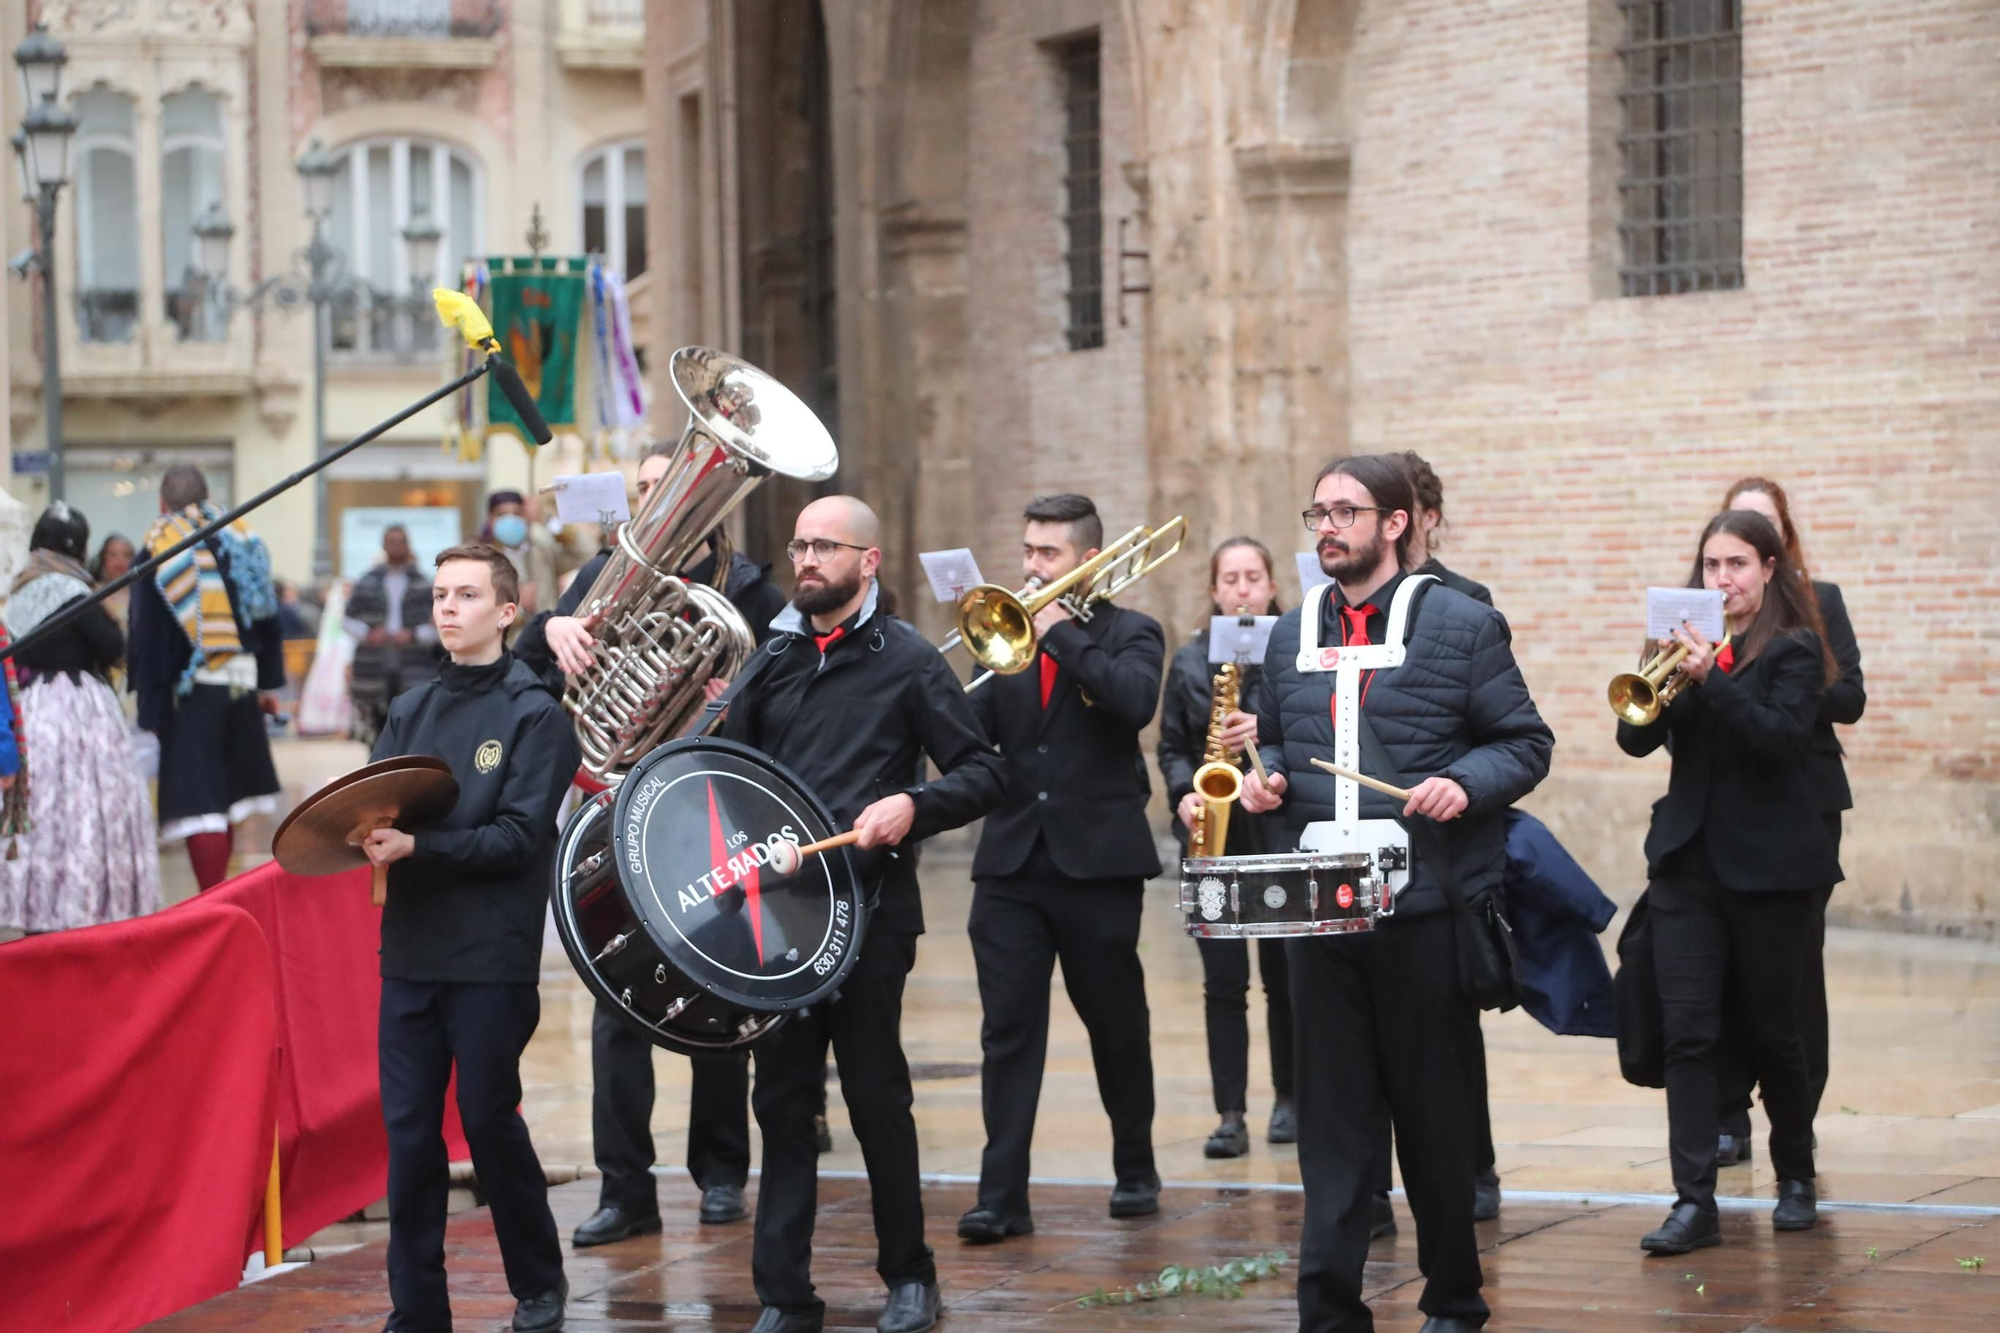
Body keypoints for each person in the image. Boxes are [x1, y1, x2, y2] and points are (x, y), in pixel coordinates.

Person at [1239, 454, 1553, 1333]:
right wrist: (1263, 778)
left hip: (1422, 915)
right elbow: (1279, 751)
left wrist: (1463, 780)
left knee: (1433, 1123)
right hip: (1318, 912)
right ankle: (1329, 1311)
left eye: (1346, 511)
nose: (1329, 526)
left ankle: (1454, 1299)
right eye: (1318, 513)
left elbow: (1525, 743)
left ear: (1396, 523)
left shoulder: (1463, 622)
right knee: (1331, 1129)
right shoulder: (1288, 630)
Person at [716, 495, 1003, 1333]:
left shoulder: (910, 660)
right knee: (781, 1097)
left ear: (867, 561)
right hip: (777, 912)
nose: (805, 560)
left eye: (825, 547)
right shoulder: (771, 657)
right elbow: (731, 770)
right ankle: (783, 1292)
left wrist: (913, 804)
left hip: (871, 912)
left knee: (878, 1093)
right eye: (799, 544)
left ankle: (910, 1276)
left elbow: (982, 771)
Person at [516, 443, 802, 1248]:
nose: (660, 499)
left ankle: (719, 1174)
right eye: (649, 488)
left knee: (716, 993)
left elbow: (781, 708)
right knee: (616, 1009)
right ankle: (624, 1188)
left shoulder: (749, 591)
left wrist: (731, 701)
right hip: (614, 806)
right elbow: (534, 679)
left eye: (672, 485)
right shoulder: (604, 577)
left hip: (704, 811)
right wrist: (552, 627)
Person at [362, 543, 577, 1333]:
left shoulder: (536, 714)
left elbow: (521, 839)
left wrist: (423, 847)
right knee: (411, 1134)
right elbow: (372, 804)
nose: (447, 607)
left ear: (508, 610)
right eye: (440, 594)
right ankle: (417, 1306)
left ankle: (539, 1280)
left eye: (466, 594)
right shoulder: (410, 709)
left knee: (488, 1118)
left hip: (491, 954)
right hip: (411, 951)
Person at [1618, 508, 1839, 1255]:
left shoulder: (1796, 648)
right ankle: (1693, 1202)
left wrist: (1711, 676)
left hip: (1773, 868)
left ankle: (1796, 1173)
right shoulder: (1683, 643)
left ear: (1768, 569)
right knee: (1689, 1034)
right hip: (1688, 865)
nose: (1723, 578)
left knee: (1777, 1029)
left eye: (1737, 564)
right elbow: (1633, 735)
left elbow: (1778, 742)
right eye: (1711, 565)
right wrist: (1661, 669)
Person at [959, 493, 1166, 1241]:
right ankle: (1000, 1194)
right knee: (1007, 1030)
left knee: (1116, 1023)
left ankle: (1136, 1164)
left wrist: (1060, 634)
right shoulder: (1004, 640)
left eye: (1045, 554)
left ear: (1086, 558)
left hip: (1098, 864)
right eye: (1027, 550)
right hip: (1011, 863)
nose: (1029, 566)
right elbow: (967, 737)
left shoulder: (1132, 632)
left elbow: (1134, 702)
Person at [1713, 477, 1864, 1163]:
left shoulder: (1817, 602)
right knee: (1724, 970)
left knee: (1791, 970)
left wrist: (1784, 686)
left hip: (1803, 796)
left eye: (1761, 526)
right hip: (1727, 799)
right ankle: (1729, 1114)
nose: (1748, 536)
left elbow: (1850, 695)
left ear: (1779, 545)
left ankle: (1795, 1110)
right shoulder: (1708, 608)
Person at [1391, 450, 1502, 1224]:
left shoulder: (1467, 601)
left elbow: (1488, 723)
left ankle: (1476, 1166)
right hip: (1362, 844)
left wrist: (1454, 780)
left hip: (1444, 839)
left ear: (1424, 517)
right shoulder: (1326, 609)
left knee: (1451, 1022)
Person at [1157, 535, 1295, 1158]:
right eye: (1230, 579)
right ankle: (1229, 1113)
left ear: (1271, 587)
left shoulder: (1294, 656)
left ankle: (1290, 1099)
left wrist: (1265, 731)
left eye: (1253, 577)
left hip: (1277, 829)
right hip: (1212, 837)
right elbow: (1171, 747)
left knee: (1284, 978)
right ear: (1214, 592)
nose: (1242, 589)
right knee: (1222, 982)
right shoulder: (1189, 662)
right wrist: (1185, 792)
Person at [0, 504, 159, 932]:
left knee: (43, 815)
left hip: (31, 713)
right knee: (88, 810)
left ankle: (38, 907)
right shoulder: (75, 593)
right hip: (81, 708)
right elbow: (111, 646)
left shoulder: (18, 590)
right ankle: (85, 902)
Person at [128, 466, 285, 890]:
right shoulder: (242, 538)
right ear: (206, 496)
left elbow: (151, 640)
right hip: (242, 682)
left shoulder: (159, 548)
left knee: (202, 803)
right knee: (230, 799)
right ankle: (220, 901)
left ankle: (211, 901)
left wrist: (152, 711)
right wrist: (266, 684)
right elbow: (269, 618)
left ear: (162, 504)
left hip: (191, 688)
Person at [345, 526, 441, 746]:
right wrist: (369, 634)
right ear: (384, 545)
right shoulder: (367, 581)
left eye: (401, 541)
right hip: (375, 661)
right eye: (391, 541)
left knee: (412, 711)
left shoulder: (424, 583)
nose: (396, 547)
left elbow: (437, 625)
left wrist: (413, 635)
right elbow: (348, 619)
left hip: (414, 661)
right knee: (376, 717)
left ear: (408, 545)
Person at [485, 490, 560, 619]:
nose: (510, 520)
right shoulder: (484, 561)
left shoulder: (543, 549)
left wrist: (544, 520)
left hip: (547, 633)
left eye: (516, 513)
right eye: (502, 514)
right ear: (491, 520)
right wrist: (519, 608)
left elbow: (585, 553)